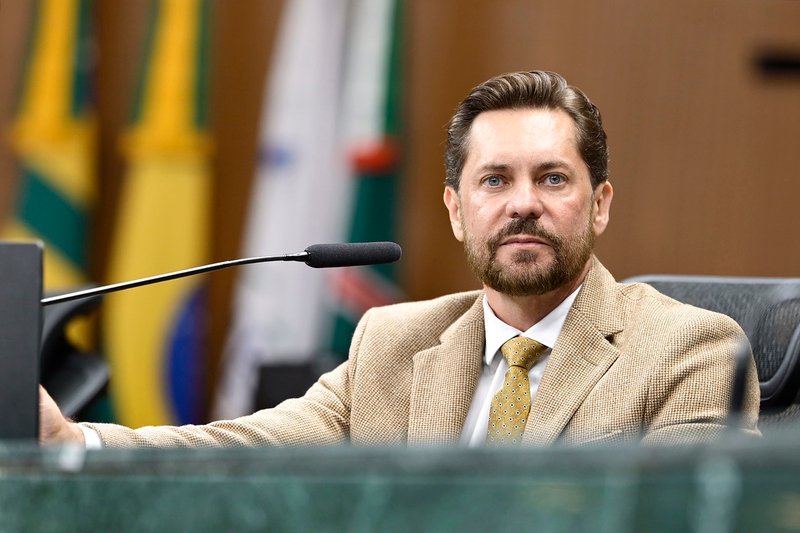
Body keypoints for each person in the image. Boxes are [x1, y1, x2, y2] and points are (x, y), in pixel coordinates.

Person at [39, 70, 760, 447]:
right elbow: (251, 445)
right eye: (494, 180)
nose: (523, 204)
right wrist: (77, 441)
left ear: (599, 204)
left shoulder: (689, 350)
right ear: (456, 210)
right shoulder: (393, 343)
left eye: (551, 178)